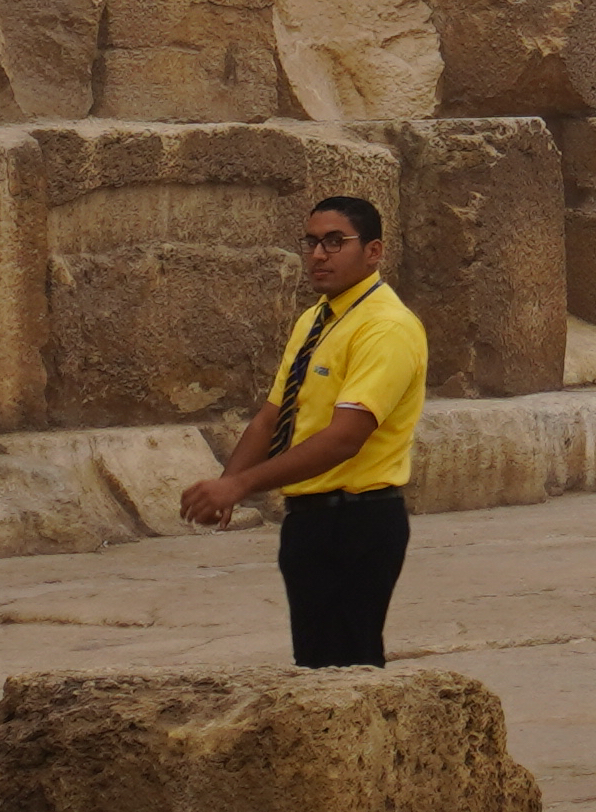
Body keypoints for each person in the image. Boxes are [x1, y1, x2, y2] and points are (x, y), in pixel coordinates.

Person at [183, 193, 427, 665]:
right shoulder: (316, 319)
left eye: (335, 242)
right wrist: (226, 486)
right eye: (311, 242)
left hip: (358, 522)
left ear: (373, 251)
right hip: (309, 520)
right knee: (313, 667)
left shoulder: (386, 327)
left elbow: (344, 438)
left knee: (350, 669)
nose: (318, 255)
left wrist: (240, 485)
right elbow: (273, 415)